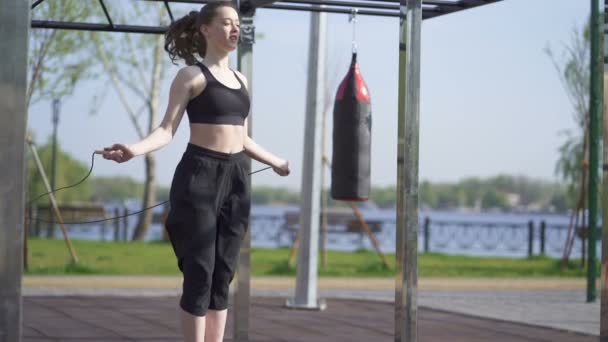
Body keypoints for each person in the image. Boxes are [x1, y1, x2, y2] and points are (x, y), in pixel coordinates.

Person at [100, 2, 290, 341]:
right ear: (205, 29)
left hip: (236, 179)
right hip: (199, 176)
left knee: (223, 274)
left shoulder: (241, 79)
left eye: (237, 24)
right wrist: (133, 149)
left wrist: (274, 160)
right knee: (199, 272)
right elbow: (166, 130)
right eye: (227, 22)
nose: (235, 29)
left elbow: (241, 136)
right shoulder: (191, 76)